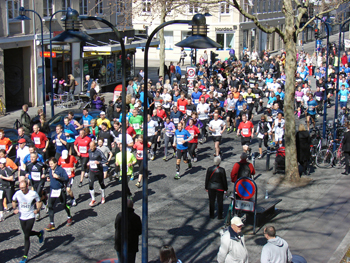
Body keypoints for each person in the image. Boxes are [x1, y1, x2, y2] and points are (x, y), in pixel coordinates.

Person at [12, 180, 44, 263]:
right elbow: (13, 200)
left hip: (30, 216)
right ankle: (39, 234)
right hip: (22, 217)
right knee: (27, 233)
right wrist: (15, 208)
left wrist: (38, 209)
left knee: (26, 235)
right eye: (20, 188)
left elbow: (39, 201)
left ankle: (25, 256)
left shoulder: (33, 193)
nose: (22, 189)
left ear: (27, 186)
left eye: (23, 188)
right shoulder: (18, 193)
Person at [45, 157, 73, 231]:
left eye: (51, 164)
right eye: (49, 164)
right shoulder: (50, 170)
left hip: (60, 190)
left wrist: (58, 177)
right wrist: (49, 179)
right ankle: (52, 223)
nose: (50, 165)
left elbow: (66, 178)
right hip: (53, 190)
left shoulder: (61, 170)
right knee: (50, 206)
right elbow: (51, 178)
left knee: (63, 204)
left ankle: (69, 216)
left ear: (55, 163)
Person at [25, 153, 46, 221]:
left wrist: (43, 174)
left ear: (37, 158)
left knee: (36, 196)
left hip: (40, 182)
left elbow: (45, 168)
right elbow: (26, 171)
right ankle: (45, 198)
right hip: (33, 182)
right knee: (36, 195)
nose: (32, 159)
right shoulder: (28, 164)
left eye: (33, 157)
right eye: (31, 157)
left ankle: (37, 213)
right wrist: (27, 174)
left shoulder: (40, 164)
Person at [87, 141, 108, 206]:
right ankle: (93, 199)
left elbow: (105, 160)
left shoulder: (99, 152)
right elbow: (89, 158)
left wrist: (99, 162)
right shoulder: (89, 151)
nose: (91, 148)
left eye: (92, 147)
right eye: (90, 147)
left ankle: (103, 196)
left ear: (95, 146)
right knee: (90, 185)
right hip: (92, 171)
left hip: (99, 170)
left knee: (101, 183)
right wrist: (88, 163)